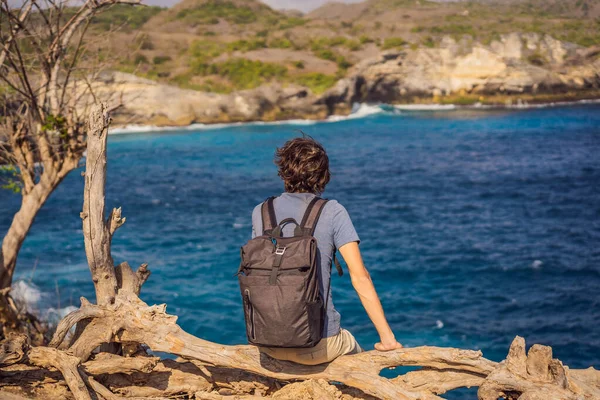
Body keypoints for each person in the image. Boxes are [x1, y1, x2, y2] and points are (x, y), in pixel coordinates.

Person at [250, 136, 402, 365]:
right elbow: (360, 277)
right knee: (360, 358)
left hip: (267, 343)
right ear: (323, 175)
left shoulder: (261, 211)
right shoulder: (332, 211)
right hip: (317, 345)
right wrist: (387, 338)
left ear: (283, 172)